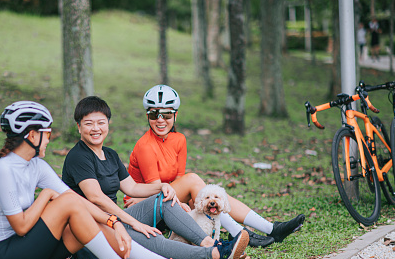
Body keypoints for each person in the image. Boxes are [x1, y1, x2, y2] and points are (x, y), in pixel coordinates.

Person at [0, 101, 207, 259]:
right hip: (6, 258)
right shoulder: (4, 170)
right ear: (32, 135)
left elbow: (77, 202)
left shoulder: (36, 165)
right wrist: (46, 195)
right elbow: (22, 227)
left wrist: (113, 222)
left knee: (79, 211)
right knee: (68, 203)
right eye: (47, 133)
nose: (50, 138)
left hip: (30, 253)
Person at [62, 96, 250, 259]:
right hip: (90, 234)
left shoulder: (110, 154)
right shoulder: (78, 157)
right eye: (89, 124)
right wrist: (135, 223)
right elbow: (97, 197)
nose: (96, 128)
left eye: (101, 123)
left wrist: (161, 187)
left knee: (164, 199)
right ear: (79, 127)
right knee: (150, 236)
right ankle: (216, 255)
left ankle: (209, 243)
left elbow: (132, 187)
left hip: (112, 222)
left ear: (108, 125)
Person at [125, 85, 305, 248]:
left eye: (166, 114)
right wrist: (181, 203)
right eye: (154, 114)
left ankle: (271, 228)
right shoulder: (145, 146)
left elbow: (178, 181)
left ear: (175, 115)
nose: (160, 120)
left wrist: (183, 202)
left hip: (172, 201)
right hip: (148, 210)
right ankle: (241, 233)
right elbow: (157, 191)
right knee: (195, 181)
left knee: (205, 191)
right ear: (147, 116)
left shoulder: (179, 140)